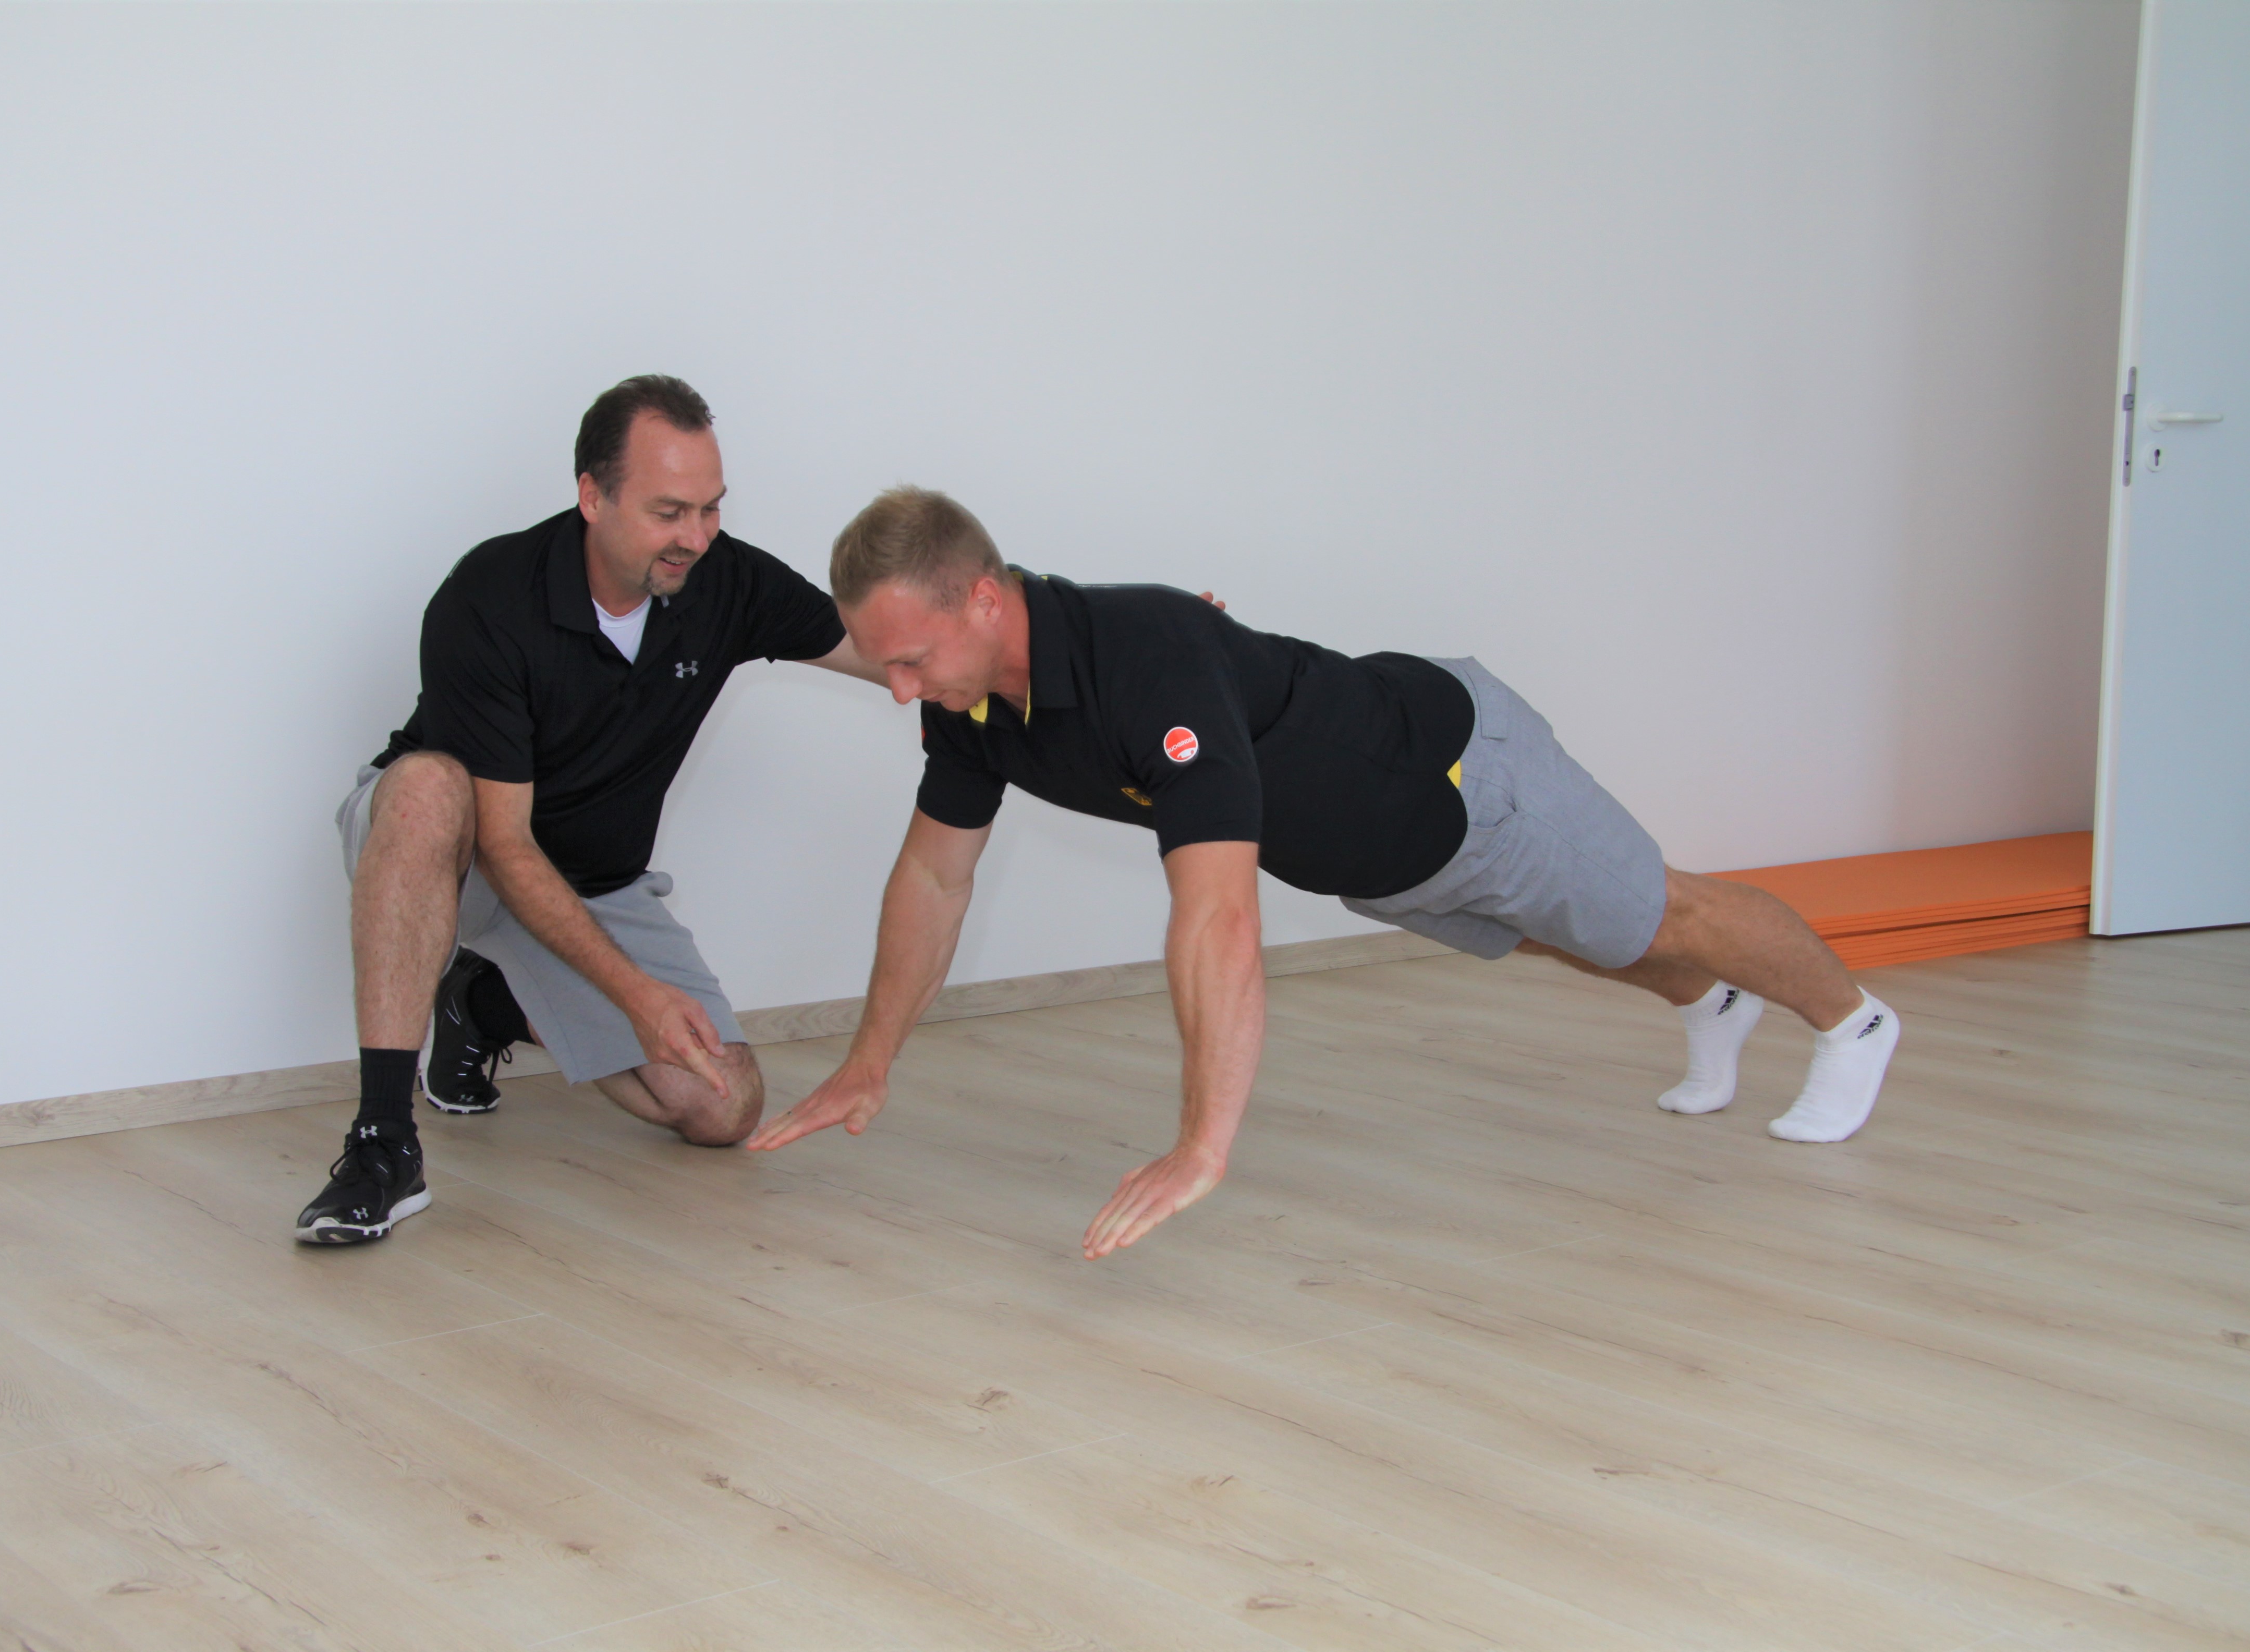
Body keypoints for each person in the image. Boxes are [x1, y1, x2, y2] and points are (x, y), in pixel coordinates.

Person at [746, 487, 1902, 1259]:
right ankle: (1712, 999)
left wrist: (1204, 1144)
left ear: (985, 600)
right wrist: (868, 1062)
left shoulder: (1148, 660)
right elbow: (932, 881)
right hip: (1384, 858)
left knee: (1662, 908)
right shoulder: (976, 704)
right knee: (1576, 933)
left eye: (910, 658)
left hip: (1460, 775)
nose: (897, 689)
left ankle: (1853, 1024)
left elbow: (1216, 921)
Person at [295, 375, 882, 1243]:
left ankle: (482, 1008)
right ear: (592, 497)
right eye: (669, 512)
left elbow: (882, 648)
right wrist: (637, 999)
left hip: (593, 882)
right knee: (427, 785)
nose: (696, 538)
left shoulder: (728, 582)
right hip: (457, 857)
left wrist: (1020, 655)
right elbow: (503, 842)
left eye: (712, 510)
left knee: (723, 1106)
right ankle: (384, 1144)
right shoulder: (490, 595)